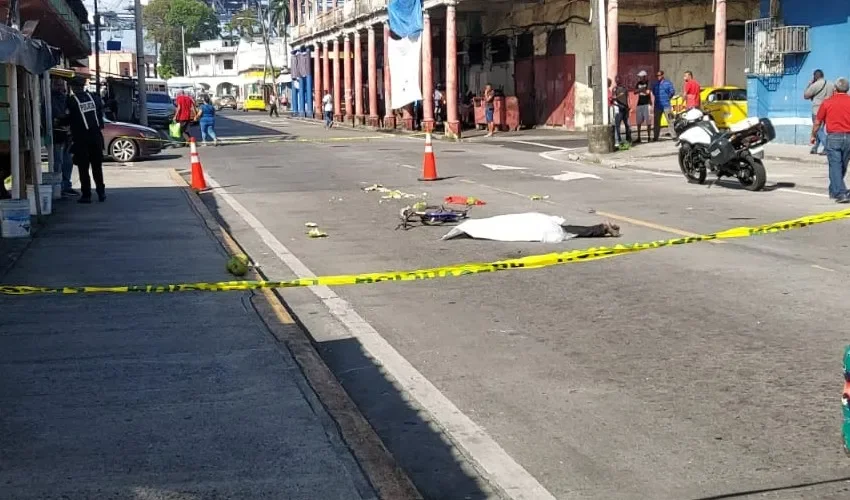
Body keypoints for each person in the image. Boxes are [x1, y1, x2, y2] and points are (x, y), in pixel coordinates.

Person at [65, 76, 105, 203]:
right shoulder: (94, 98)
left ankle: (86, 195)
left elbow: (68, 118)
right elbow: (100, 114)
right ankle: (101, 192)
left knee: (83, 168)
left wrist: (58, 121)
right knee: (97, 166)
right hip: (96, 137)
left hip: (81, 139)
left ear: (73, 87)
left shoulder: (72, 101)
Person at [812, 77, 850, 203]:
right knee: (842, 165)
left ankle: (839, 193)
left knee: (836, 166)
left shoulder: (827, 103)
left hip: (834, 137)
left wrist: (813, 135)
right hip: (848, 138)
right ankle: (836, 190)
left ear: (835, 89)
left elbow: (818, 122)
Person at [51, 78, 78, 197]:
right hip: (56, 134)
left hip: (67, 135)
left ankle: (66, 185)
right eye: (57, 84)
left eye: (61, 85)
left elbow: (70, 114)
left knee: (68, 161)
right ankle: (58, 187)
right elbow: (55, 115)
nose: (59, 87)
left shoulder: (67, 98)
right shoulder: (50, 98)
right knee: (58, 162)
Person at [804, 69, 834, 155]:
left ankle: (827, 147)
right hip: (828, 109)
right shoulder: (831, 84)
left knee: (818, 130)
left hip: (817, 110)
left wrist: (809, 84)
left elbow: (806, 95)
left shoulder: (815, 85)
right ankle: (815, 147)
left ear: (815, 76)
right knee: (821, 129)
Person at [652, 70, 676, 141]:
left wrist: (668, 98)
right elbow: (654, 92)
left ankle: (673, 136)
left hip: (666, 105)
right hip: (657, 106)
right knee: (656, 122)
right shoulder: (655, 84)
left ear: (662, 75)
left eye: (659, 75)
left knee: (670, 120)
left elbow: (672, 91)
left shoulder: (668, 83)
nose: (658, 77)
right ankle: (655, 137)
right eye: (657, 76)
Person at [613, 75, 632, 145]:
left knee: (628, 125)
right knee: (617, 126)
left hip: (625, 108)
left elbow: (628, 97)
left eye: (619, 79)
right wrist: (619, 96)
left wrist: (630, 105)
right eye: (616, 79)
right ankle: (619, 140)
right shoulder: (614, 89)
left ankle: (629, 139)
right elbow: (613, 98)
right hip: (619, 109)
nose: (618, 80)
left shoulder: (624, 88)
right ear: (615, 81)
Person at [634, 70, 651, 143]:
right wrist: (642, 89)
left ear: (644, 77)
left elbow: (647, 92)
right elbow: (635, 92)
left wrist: (640, 90)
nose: (639, 78)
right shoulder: (638, 83)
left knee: (648, 121)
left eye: (640, 77)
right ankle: (638, 137)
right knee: (638, 122)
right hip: (639, 104)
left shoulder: (648, 83)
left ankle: (649, 137)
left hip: (647, 104)